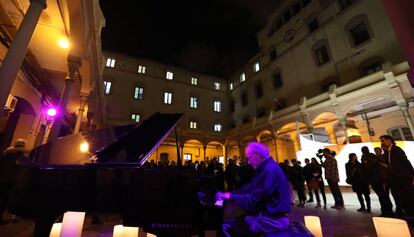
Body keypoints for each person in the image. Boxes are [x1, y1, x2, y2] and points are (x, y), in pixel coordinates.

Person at [215, 142, 291, 236]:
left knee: (226, 226)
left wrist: (229, 196)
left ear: (257, 154)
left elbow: (254, 200)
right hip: (269, 217)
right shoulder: (266, 167)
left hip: (273, 221)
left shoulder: (269, 170)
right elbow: (250, 187)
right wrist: (229, 194)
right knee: (239, 219)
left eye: (249, 158)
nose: (249, 162)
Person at [380, 135, 414, 217]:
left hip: (404, 177)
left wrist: (412, 174)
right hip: (396, 179)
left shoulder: (396, 149)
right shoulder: (388, 152)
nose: (382, 143)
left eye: (383, 141)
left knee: (410, 196)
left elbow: (406, 162)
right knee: (403, 197)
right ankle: (408, 213)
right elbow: (391, 165)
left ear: (389, 140)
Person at [0, 139, 28, 223]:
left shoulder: (6, 153)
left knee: (2, 198)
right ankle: (14, 218)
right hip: (16, 180)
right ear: (23, 145)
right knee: (13, 199)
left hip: (3, 179)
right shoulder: (24, 155)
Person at [372, 146, 393, 217]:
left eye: (378, 151)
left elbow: (387, 167)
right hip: (379, 180)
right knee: (383, 196)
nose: (377, 152)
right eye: (375, 151)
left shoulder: (384, 158)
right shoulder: (375, 159)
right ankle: (385, 211)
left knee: (385, 196)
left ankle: (389, 211)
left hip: (385, 180)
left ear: (381, 151)